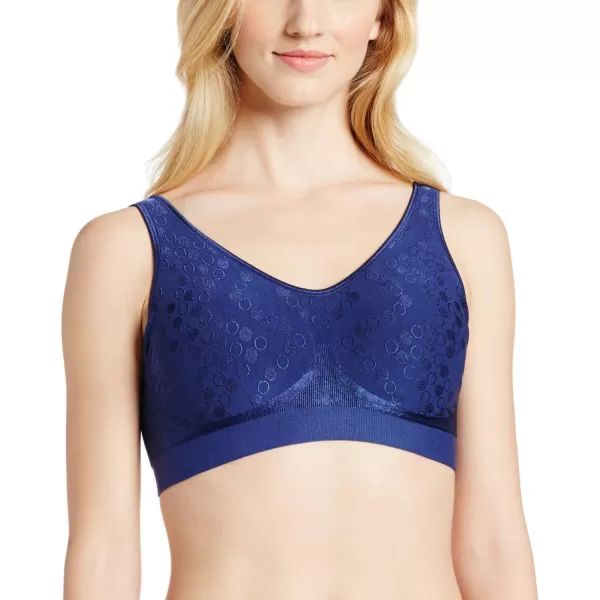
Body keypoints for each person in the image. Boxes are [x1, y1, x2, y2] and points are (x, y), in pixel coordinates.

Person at [62, 1, 537, 598]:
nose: (305, 21)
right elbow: (103, 551)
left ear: (383, 17)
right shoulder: (128, 251)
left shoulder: (462, 237)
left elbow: (493, 541)